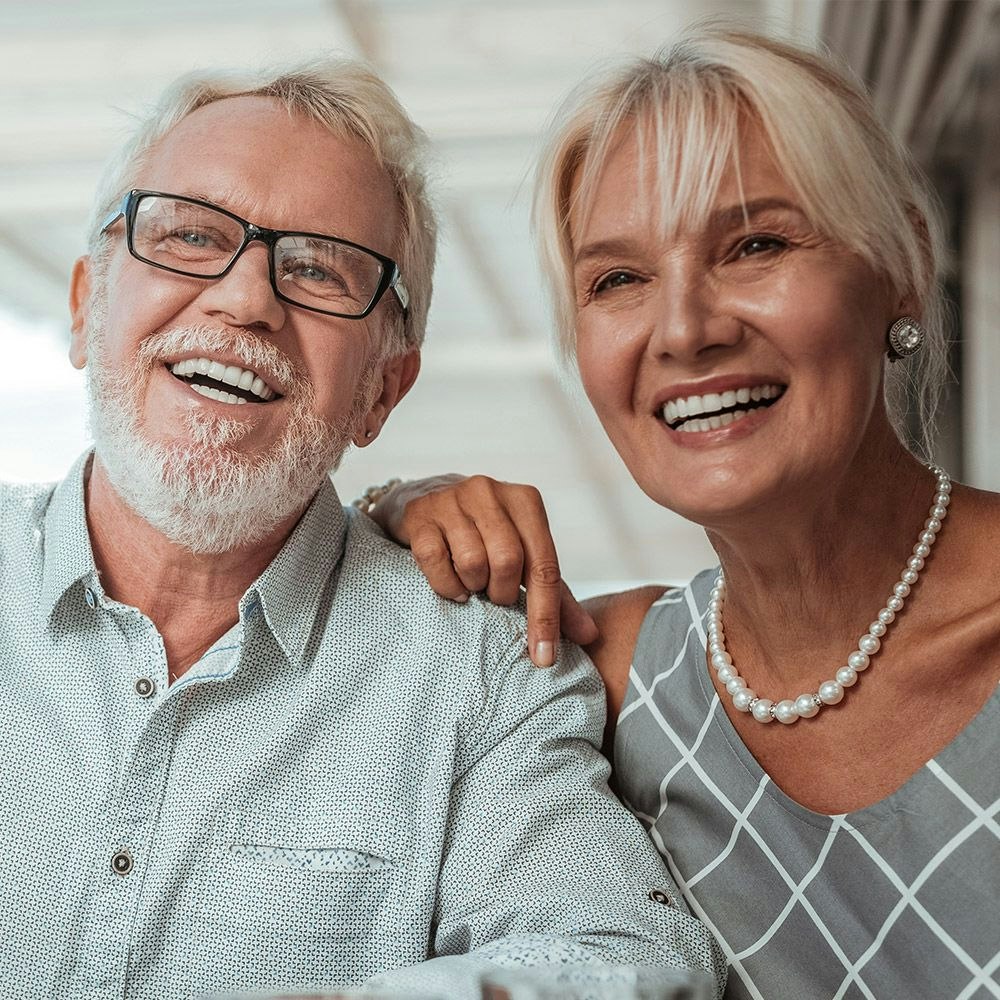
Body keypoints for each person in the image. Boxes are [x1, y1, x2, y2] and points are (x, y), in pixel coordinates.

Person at [0, 60, 726, 1000]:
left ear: (381, 390)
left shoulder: (483, 674)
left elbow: (624, 961)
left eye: (314, 269)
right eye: (188, 235)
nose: (244, 301)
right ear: (84, 309)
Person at [371, 26, 1000, 999]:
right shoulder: (607, 681)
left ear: (903, 264)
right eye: (617, 279)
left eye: (755, 244)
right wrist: (402, 504)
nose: (684, 330)